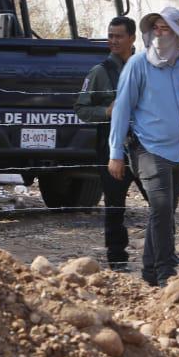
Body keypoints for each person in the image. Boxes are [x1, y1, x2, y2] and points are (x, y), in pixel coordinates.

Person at [108, 6, 179, 287]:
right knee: (160, 209)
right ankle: (165, 272)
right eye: (155, 28)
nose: (159, 34)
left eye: (166, 29)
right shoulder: (138, 65)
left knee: (163, 214)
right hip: (147, 149)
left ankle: (149, 274)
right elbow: (122, 109)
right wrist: (115, 154)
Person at [74, 15, 139, 271]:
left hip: (144, 147)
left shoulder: (144, 67)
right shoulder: (100, 73)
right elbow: (81, 108)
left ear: (132, 38)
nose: (113, 41)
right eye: (110, 36)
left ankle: (161, 255)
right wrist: (106, 112)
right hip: (112, 148)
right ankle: (117, 259)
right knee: (114, 206)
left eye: (118, 36)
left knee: (160, 205)